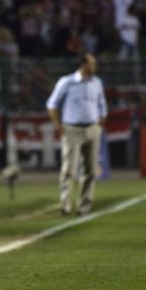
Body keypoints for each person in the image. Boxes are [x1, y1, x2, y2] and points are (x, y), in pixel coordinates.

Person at [46, 53, 107, 215]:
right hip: (72, 129)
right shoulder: (67, 82)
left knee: (91, 170)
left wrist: (100, 122)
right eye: (92, 63)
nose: (95, 67)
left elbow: (102, 104)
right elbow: (52, 104)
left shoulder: (97, 83)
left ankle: (84, 206)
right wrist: (59, 125)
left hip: (93, 129)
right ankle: (65, 205)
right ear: (83, 65)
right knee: (69, 169)